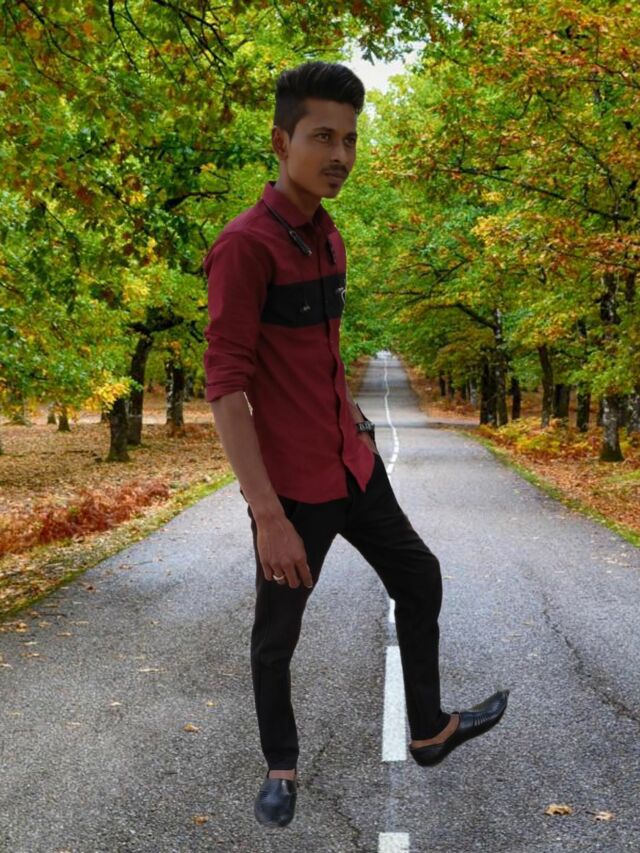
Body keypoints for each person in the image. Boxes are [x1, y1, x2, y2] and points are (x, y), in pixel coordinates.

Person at [202, 60, 510, 830]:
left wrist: (357, 422)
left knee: (420, 575)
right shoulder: (245, 247)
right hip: (293, 488)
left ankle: (429, 729)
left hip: (354, 464)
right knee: (277, 635)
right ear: (282, 141)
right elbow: (226, 388)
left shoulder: (330, 237)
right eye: (322, 137)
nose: (339, 155)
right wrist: (266, 514)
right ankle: (280, 765)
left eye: (350, 139)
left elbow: (322, 357)